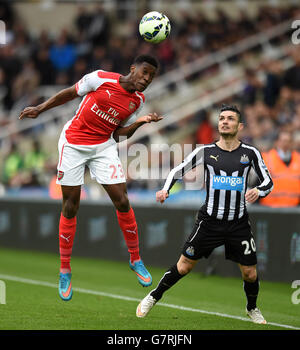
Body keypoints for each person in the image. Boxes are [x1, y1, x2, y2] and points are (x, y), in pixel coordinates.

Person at [19, 54, 162, 301]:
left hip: (103, 146)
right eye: (145, 72)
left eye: (151, 76)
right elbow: (70, 93)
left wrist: (140, 122)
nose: (147, 79)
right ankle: (65, 269)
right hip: (73, 143)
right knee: (71, 206)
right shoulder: (100, 78)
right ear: (133, 69)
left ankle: (135, 259)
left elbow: (117, 133)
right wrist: (40, 109)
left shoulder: (137, 101)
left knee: (122, 201)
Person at [136, 104, 273, 324]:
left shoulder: (250, 153)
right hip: (209, 222)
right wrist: (165, 189)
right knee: (184, 266)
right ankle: (154, 296)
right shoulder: (206, 151)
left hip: (238, 223)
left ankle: (252, 308)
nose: (225, 121)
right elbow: (178, 169)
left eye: (230, 118)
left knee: (250, 273)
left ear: (240, 125)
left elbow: (269, 181)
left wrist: (258, 190)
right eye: (221, 118)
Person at [260, 131, 300, 207]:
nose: (286, 144)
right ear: (277, 142)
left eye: (289, 141)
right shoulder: (266, 158)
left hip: (293, 208)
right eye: (283, 141)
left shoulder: (298, 159)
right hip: (269, 208)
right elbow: (257, 183)